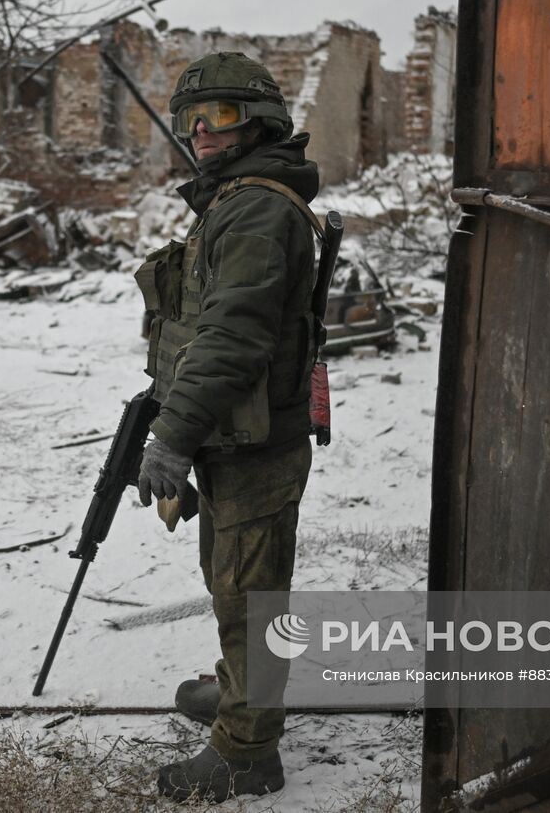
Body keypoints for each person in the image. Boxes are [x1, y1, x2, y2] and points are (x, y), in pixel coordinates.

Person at [135, 51, 320, 802]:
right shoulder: (236, 200)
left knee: (252, 595)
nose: (203, 134)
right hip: (235, 435)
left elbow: (233, 337)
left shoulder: (256, 209)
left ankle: (249, 751)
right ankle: (239, 693)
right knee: (231, 581)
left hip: (254, 440)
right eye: (191, 122)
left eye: (222, 118)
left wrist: (173, 434)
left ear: (262, 122)